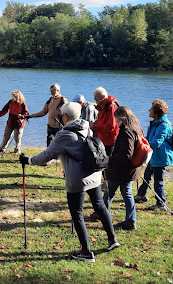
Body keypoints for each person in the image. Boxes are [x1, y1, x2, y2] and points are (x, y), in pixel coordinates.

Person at [19, 102, 119, 262]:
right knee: (100, 206)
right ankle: (112, 240)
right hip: (94, 174)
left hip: (78, 179)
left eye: (61, 115)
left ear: (65, 117)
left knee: (77, 213)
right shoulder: (87, 126)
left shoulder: (64, 134)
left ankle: (86, 252)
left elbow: (47, 154)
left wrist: (28, 161)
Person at [103, 106, 142, 230]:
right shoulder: (136, 127)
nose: (114, 120)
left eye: (115, 118)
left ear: (120, 117)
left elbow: (126, 153)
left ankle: (102, 214)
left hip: (122, 170)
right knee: (125, 192)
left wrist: (111, 160)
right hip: (131, 168)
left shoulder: (126, 131)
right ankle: (130, 220)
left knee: (109, 191)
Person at [134, 99, 173, 211]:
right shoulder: (155, 123)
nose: (149, 110)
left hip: (161, 157)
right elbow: (148, 138)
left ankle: (161, 204)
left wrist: (143, 147)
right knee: (147, 175)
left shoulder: (163, 125)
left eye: (151, 109)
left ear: (156, 112)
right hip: (154, 156)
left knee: (158, 181)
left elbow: (156, 142)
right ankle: (141, 195)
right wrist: (140, 142)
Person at [0, 90, 29, 154]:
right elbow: (4, 110)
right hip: (10, 122)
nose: (14, 98)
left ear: (19, 96)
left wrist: (22, 116)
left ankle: (17, 150)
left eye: (15, 97)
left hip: (19, 124)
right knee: (6, 136)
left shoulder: (23, 104)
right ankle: (2, 149)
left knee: (17, 138)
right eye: (13, 96)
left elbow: (26, 113)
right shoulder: (10, 102)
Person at [90, 87, 120, 157]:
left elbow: (110, 126)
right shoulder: (101, 106)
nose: (94, 99)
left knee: (108, 163)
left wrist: (94, 127)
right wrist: (93, 124)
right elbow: (101, 122)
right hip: (102, 139)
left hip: (110, 141)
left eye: (96, 97)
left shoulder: (111, 107)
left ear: (103, 97)